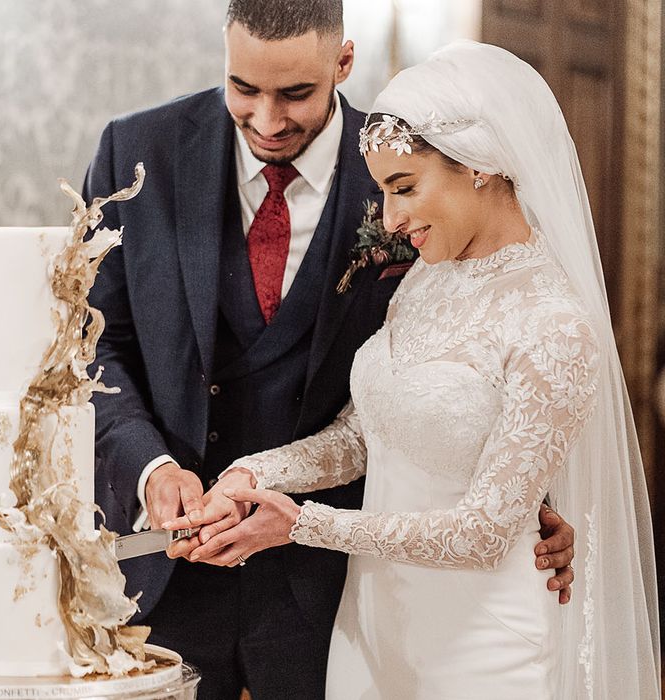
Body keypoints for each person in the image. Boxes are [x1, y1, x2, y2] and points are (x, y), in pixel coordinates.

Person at [84, 5, 576, 697]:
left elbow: (497, 364)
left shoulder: (410, 164)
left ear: (342, 63)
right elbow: (95, 341)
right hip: (166, 577)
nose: (265, 120)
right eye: (242, 88)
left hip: (332, 590)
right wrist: (153, 467)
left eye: (294, 94)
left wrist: (531, 501)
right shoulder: (137, 152)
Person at [172, 41, 662, 698]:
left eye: (404, 188)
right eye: (383, 191)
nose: (393, 220)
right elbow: (363, 437)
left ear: (482, 167)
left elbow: (485, 532)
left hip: (480, 648)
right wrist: (253, 474)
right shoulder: (427, 280)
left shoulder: (554, 324)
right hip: (371, 631)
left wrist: (304, 524)